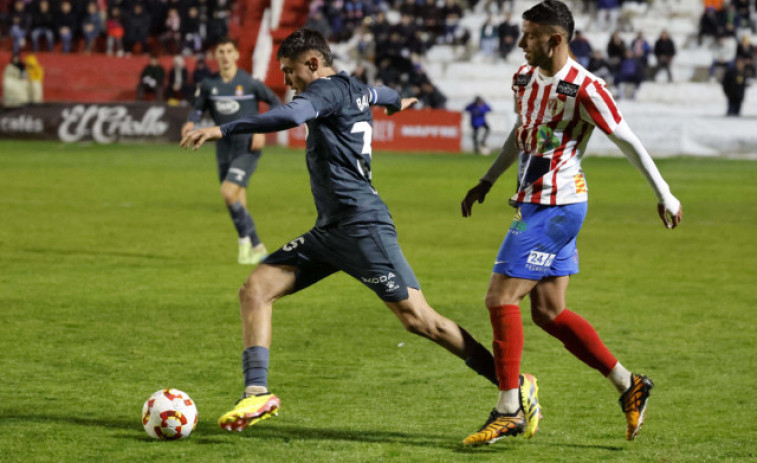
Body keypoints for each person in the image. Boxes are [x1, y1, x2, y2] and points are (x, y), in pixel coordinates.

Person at [180, 28, 524, 435]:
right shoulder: (353, 87)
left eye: (290, 72)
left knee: (421, 321)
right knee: (255, 289)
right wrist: (401, 102)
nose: (287, 83)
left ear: (313, 64)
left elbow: (291, 116)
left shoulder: (324, 91)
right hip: (330, 230)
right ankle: (256, 392)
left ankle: (514, 388)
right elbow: (383, 93)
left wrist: (222, 129)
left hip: (363, 227)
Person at [460, 0, 682, 446]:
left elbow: (628, 140)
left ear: (555, 39)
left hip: (556, 208)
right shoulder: (524, 79)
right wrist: (487, 179)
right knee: (548, 312)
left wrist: (665, 194)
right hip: (534, 204)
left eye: (529, 35)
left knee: (500, 298)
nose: (520, 43)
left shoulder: (586, 88)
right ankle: (628, 383)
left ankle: (508, 408)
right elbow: (522, 134)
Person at [181, 37, 282, 265]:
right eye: (221, 52)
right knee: (236, 199)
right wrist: (190, 123)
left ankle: (247, 245)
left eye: (229, 51)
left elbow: (276, 102)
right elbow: (197, 110)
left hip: (247, 146)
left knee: (228, 193)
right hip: (223, 148)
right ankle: (255, 247)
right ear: (215, 56)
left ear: (236, 55)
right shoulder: (209, 84)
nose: (225, 56)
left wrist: (262, 129)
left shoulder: (249, 83)